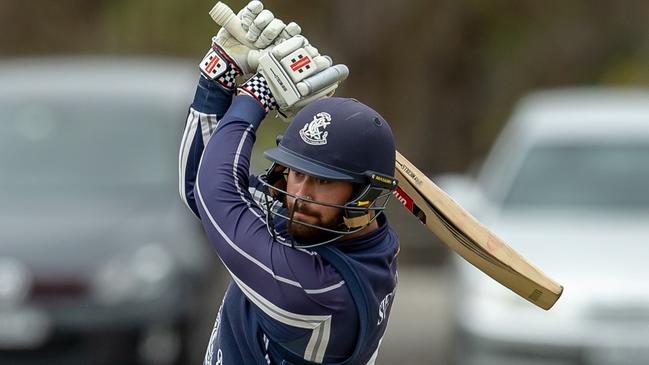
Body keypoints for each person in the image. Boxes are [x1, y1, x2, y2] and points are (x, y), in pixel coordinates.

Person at [179, 3, 399, 364]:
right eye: (298, 172)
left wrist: (258, 94)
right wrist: (218, 76)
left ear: (367, 195)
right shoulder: (329, 225)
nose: (300, 194)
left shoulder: (322, 295)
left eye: (324, 180)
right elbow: (198, 189)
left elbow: (215, 194)